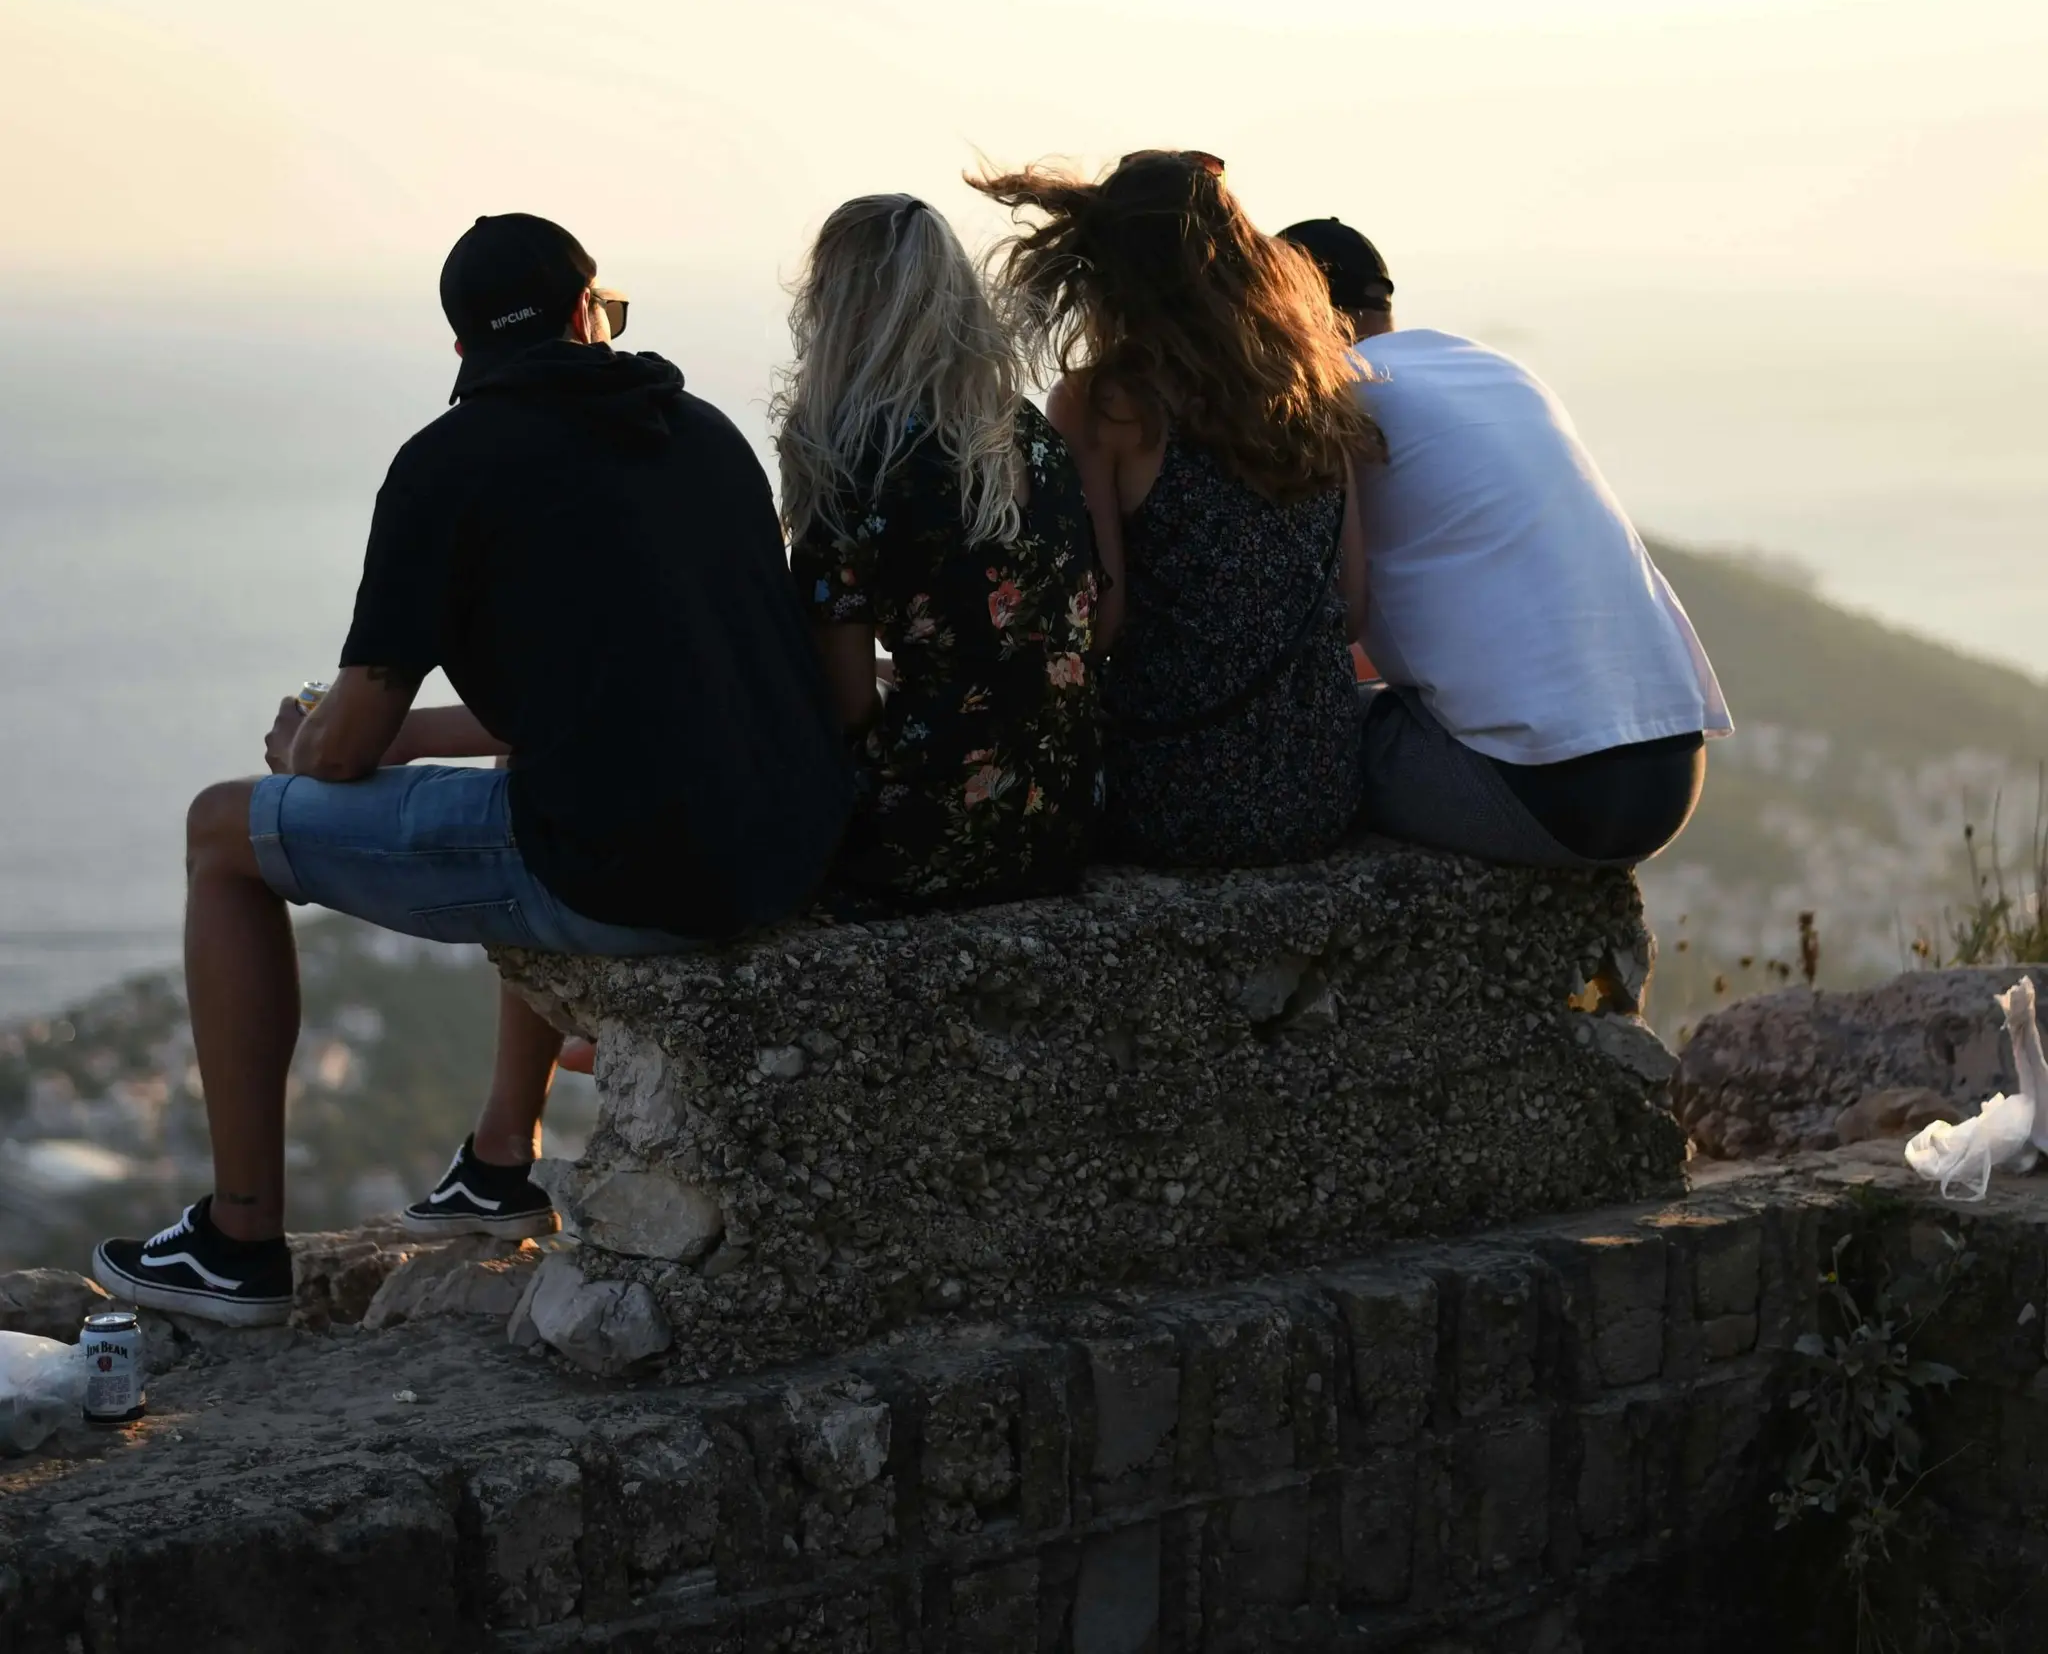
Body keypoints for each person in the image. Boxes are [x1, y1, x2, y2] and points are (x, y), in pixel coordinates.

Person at [93, 213, 852, 1325]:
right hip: (785, 849)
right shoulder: (699, 432)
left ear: (463, 353)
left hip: (637, 878)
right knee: (527, 781)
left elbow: (343, 748)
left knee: (222, 832)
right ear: (588, 313)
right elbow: (602, 703)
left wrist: (303, 741)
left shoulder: (448, 461)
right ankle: (500, 1159)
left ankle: (239, 1238)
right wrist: (389, 736)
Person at [1280, 216, 1731, 867]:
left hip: (1555, 795)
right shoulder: (1497, 371)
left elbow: (1330, 615)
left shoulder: (1331, 396)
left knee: (1290, 743)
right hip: (1674, 771)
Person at [972, 152, 1381, 868]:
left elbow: (1102, 620)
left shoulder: (1103, 402)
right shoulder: (1314, 382)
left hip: (1171, 801)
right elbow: (1352, 605)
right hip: (1320, 792)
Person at [773, 194, 1099, 911]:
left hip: (921, 835)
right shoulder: (1032, 435)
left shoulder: (847, 454)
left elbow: (848, 701)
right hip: (1059, 820)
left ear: (834, 305)